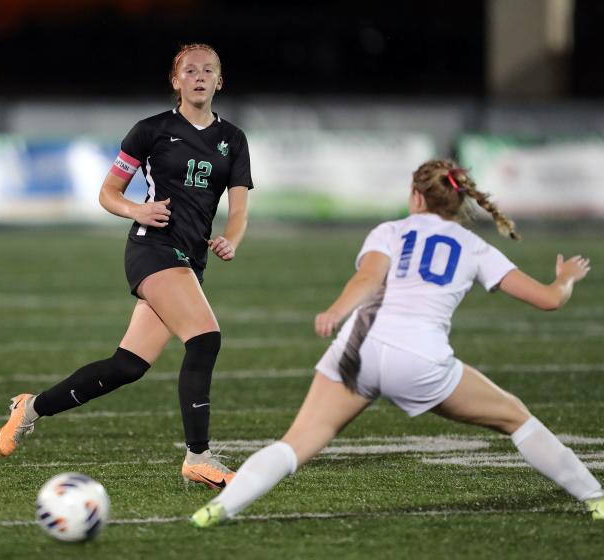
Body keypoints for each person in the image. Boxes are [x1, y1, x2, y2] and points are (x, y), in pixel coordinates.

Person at [191, 159, 604, 526]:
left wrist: (336, 311)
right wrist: (565, 278)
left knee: (295, 443)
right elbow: (549, 300)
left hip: (358, 350)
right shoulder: (475, 246)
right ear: (457, 202)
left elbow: (368, 279)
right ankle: (596, 497)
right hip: (420, 359)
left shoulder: (390, 230)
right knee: (516, 417)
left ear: (416, 196)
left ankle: (222, 508)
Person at [0, 43, 253, 489]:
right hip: (152, 249)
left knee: (127, 366)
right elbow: (108, 193)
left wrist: (231, 238)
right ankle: (198, 457)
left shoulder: (233, 139)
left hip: (188, 258)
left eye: (208, 70)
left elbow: (240, 208)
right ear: (175, 80)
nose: (198, 76)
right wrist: (137, 209)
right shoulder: (150, 131)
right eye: (189, 70)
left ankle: (30, 408)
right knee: (205, 337)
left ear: (219, 81)